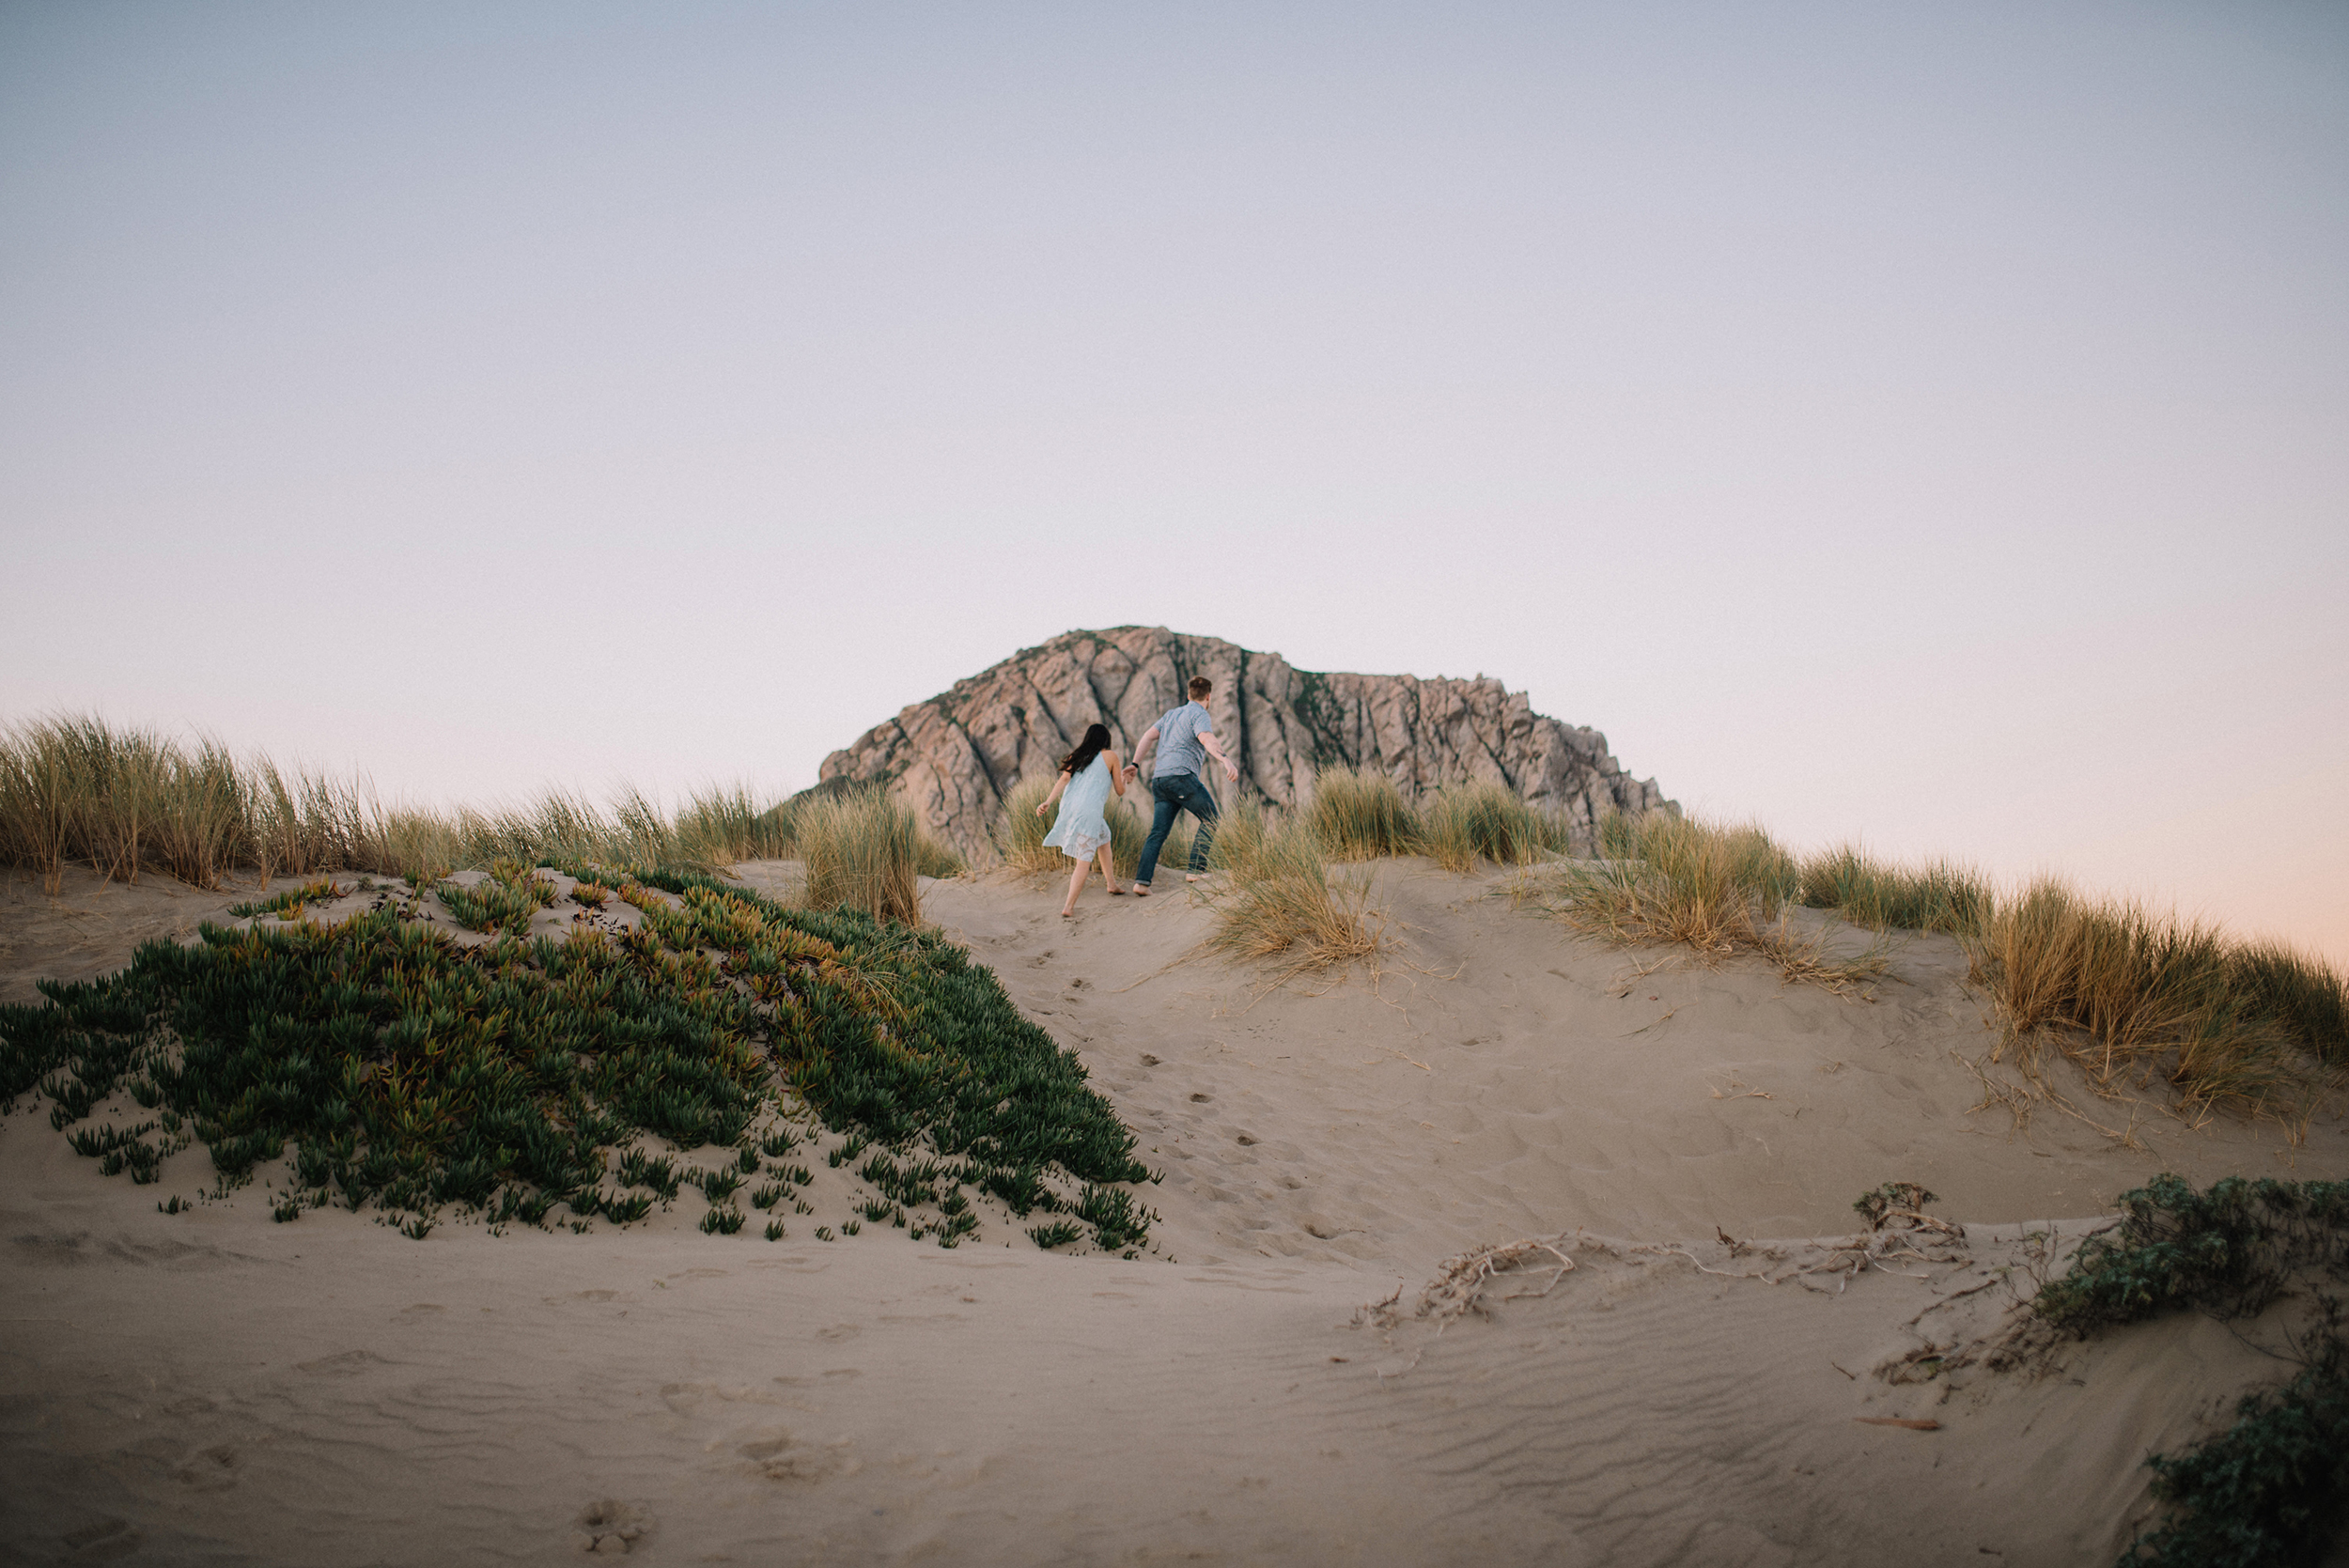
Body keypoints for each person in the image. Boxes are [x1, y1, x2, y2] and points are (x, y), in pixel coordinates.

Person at [1124, 675, 1240, 896]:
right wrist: (1225, 759)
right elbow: (1206, 738)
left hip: (1159, 781)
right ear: (1208, 696)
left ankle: (1141, 883)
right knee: (1211, 818)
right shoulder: (1200, 714)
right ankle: (1196, 869)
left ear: (1188, 695)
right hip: (1181, 778)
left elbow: (1148, 737)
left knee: (1157, 833)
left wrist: (1134, 763)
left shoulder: (1171, 715)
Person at [1034, 722, 1128, 917]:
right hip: (1089, 812)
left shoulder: (1076, 757)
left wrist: (1048, 802)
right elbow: (1120, 791)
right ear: (1106, 739)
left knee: (1105, 836)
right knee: (1084, 860)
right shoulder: (1110, 756)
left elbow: (1063, 780)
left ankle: (1111, 884)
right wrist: (1125, 779)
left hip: (1071, 808)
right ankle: (1068, 906)